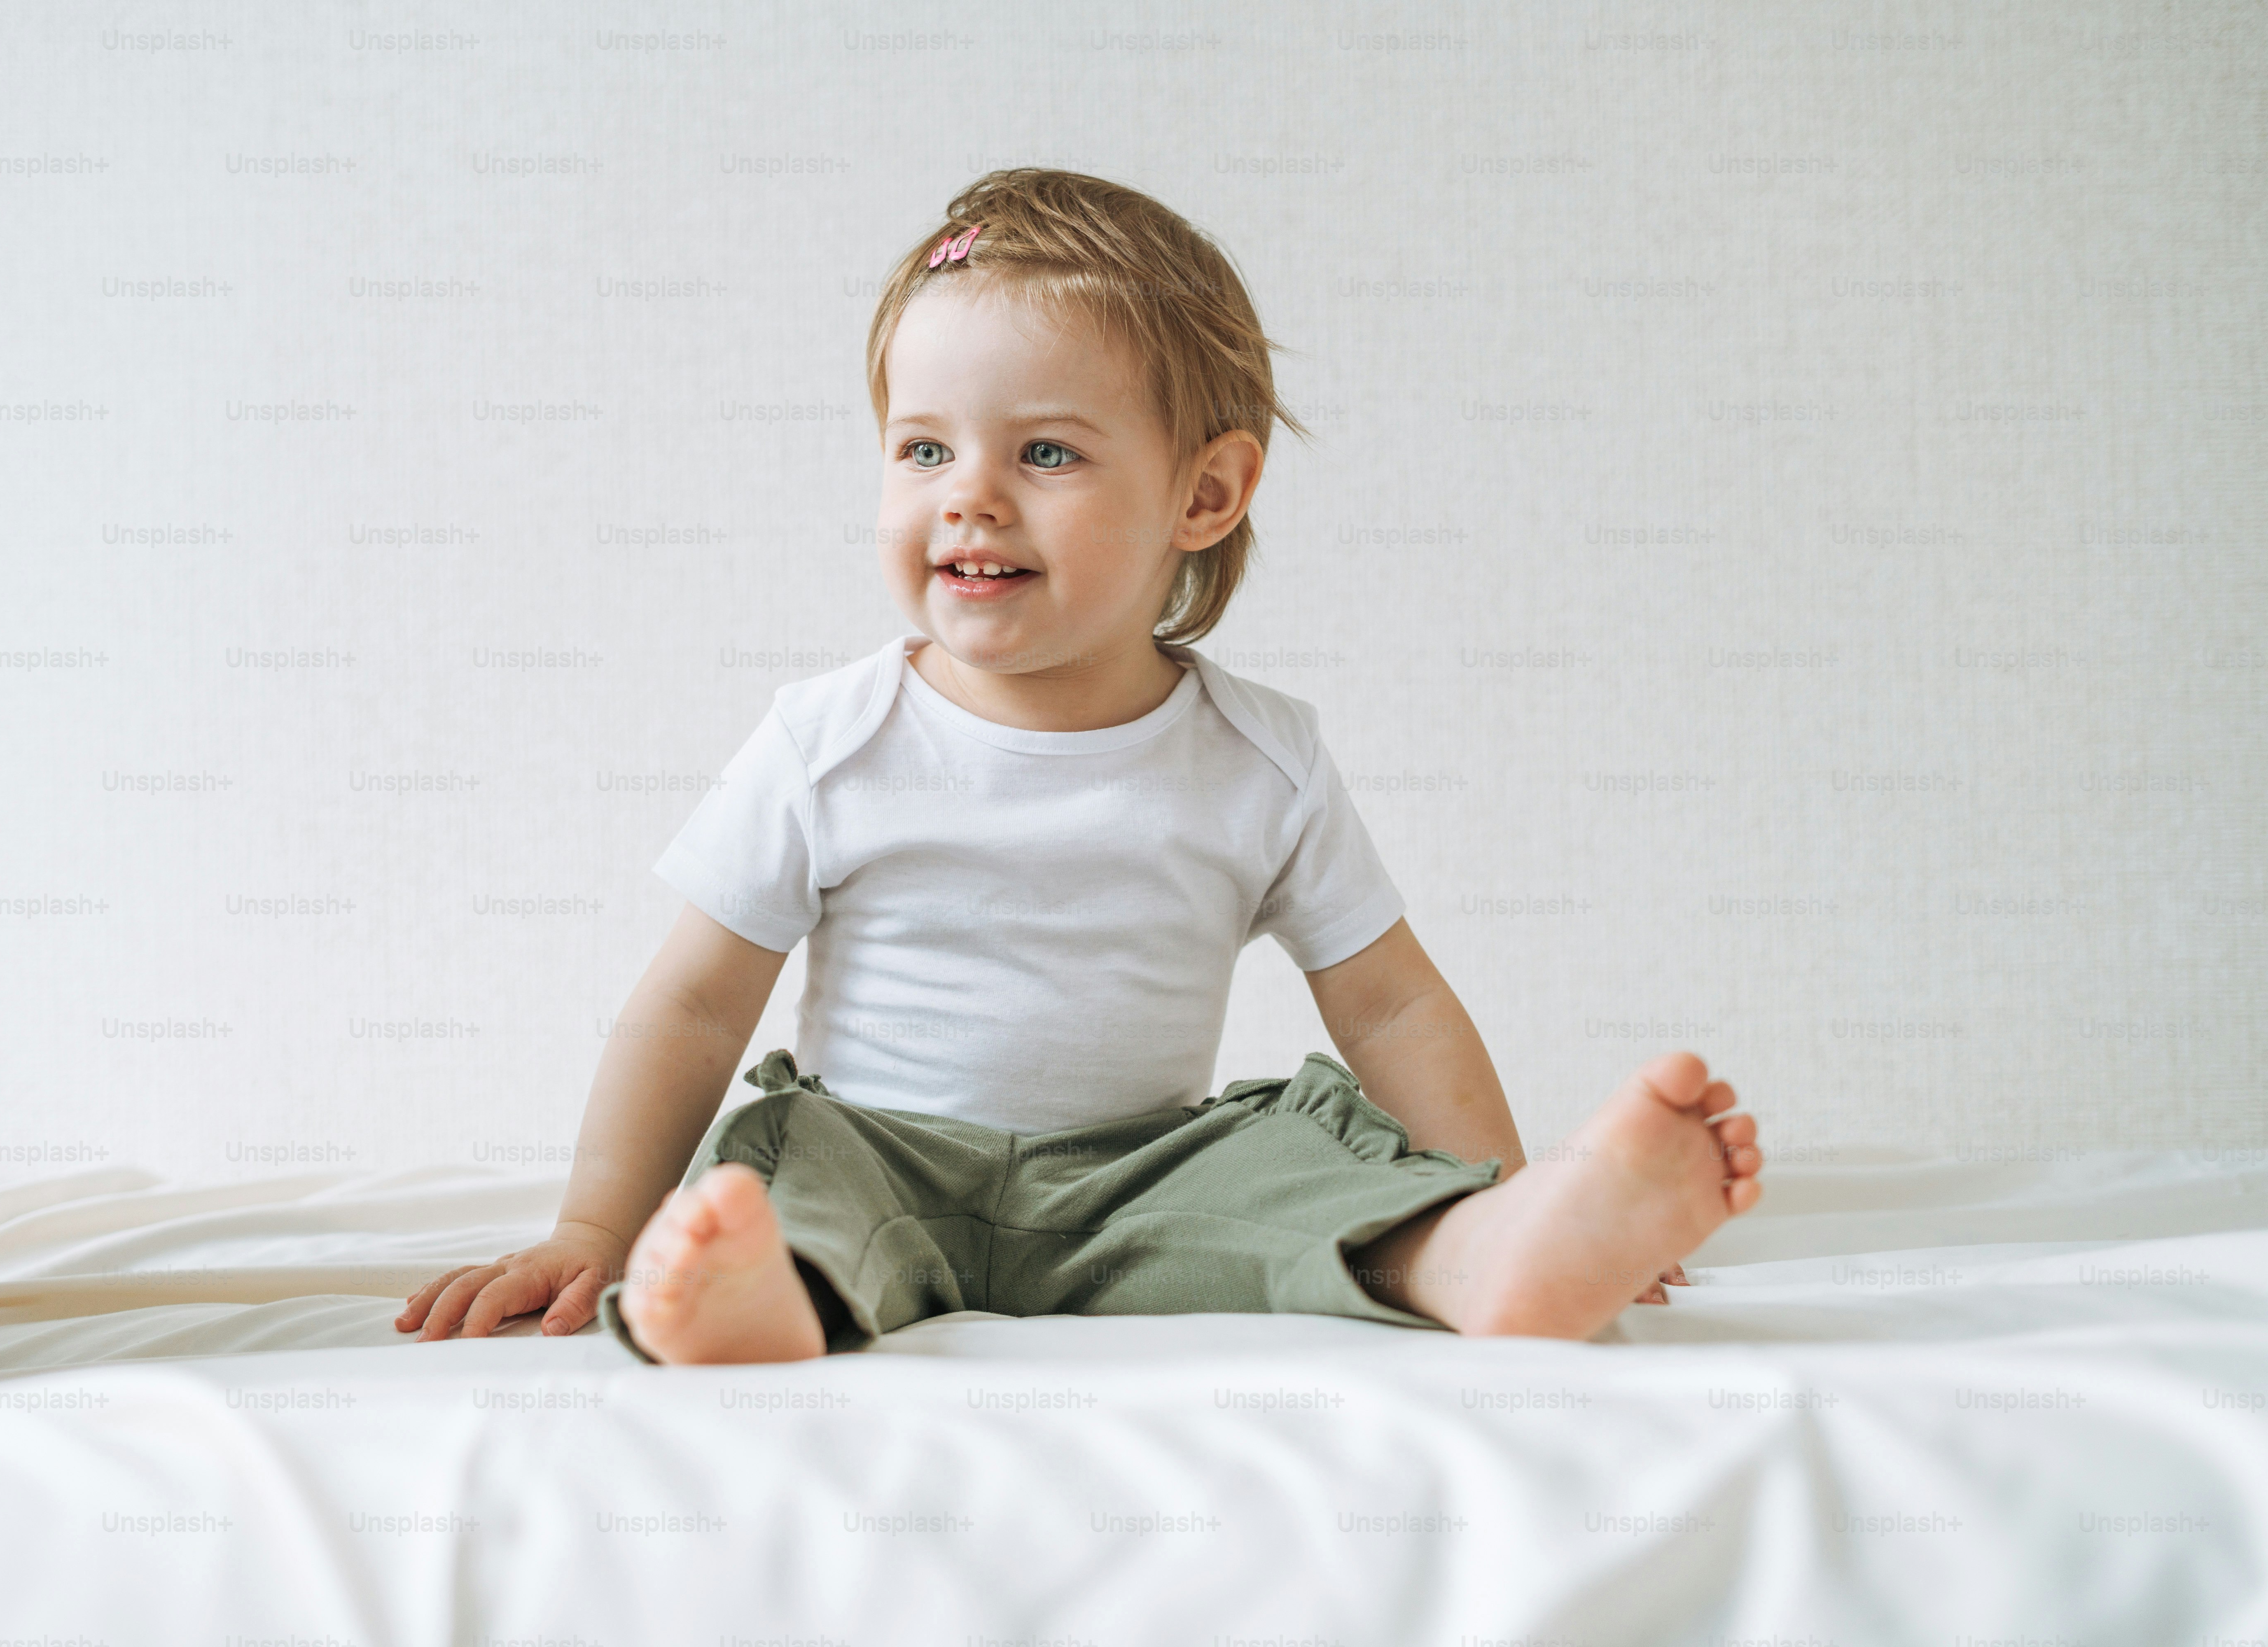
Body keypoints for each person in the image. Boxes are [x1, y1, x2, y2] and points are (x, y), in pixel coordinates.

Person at [398, 170, 1761, 1363]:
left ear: (1205, 496)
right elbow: (695, 1007)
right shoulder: (831, 740)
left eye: (1045, 451)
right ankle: (777, 1298)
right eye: (925, 449)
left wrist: (1500, 1179)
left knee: (1294, 1165)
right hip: (884, 1153)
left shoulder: (1259, 757)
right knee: (792, 1172)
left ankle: (1488, 1252)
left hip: (1145, 1179)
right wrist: (591, 1224)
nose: (968, 495)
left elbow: (1393, 1008)